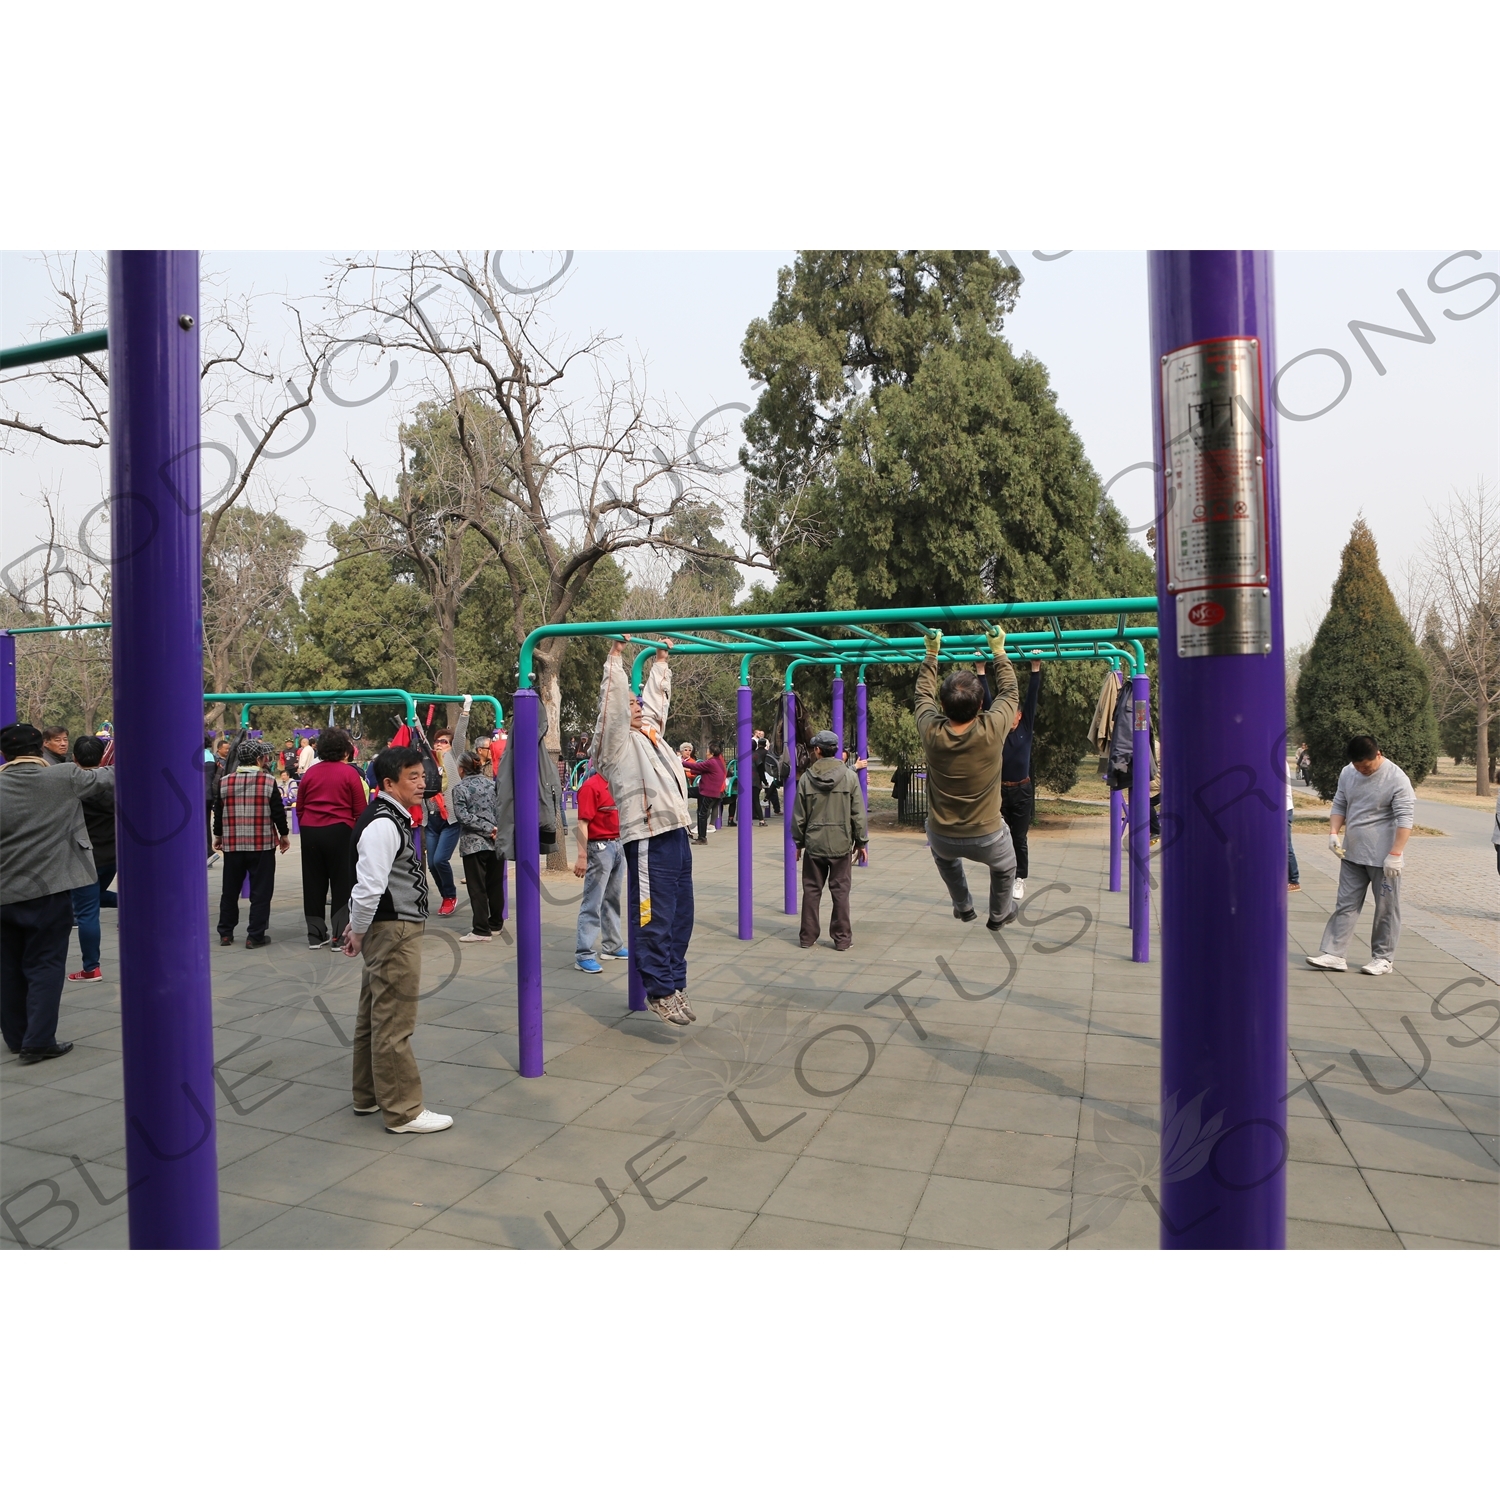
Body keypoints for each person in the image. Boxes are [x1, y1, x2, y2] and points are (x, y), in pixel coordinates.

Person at [341, 745, 452, 1134]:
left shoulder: (390, 817)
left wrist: (359, 928)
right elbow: (370, 886)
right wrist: (357, 929)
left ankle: (368, 1094)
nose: (422, 783)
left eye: (422, 776)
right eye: (413, 777)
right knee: (393, 1021)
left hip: (387, 926)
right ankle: (403, 1110)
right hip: (394, 929)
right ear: (388, 783)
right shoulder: (383, 823)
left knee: (373, 1015)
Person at [594, 640, 696, 1025]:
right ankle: (659, 990)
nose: (637, 706)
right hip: (649, 837)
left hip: (676, 832)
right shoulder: (614, 743)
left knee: (682, 915)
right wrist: (615, 660)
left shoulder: (652, 735)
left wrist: (661, 662)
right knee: (654, 916)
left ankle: (675, 982)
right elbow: (613, 704)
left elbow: (656, 702)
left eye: (637, 703)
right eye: (631, 704)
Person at [1, 722, 114, 1063]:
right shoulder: (63, 776)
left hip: (4, 893)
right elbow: (108, 777)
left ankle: (17, 1037)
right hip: (50, 888)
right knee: (45, 964)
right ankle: (38, 1040)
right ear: (40, 748)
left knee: (7, 968)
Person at [916, 625, 1021, 929]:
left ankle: (963, 906)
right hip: (987, 834)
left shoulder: (931, 731)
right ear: (979, 705)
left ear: (943, 705)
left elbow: (922, 694)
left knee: (944, 859)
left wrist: (931, 653)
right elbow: (1010, 692)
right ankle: (1000, 913)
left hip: (942, 834)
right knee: (1005, 867)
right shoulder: (992, 728)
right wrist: (998, 651)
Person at [1305, 734, 1415, 976]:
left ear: (1378, 754)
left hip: (1384, 859)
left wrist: (1396, 853)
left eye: (1366, 765)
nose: (1362, 770)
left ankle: (1383, 958)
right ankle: (1334, 953)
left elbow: (1406, 819)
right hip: (1353, 852)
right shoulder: (1348, 772)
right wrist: (1334, 832)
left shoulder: (1397, 778)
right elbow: (1340, 803)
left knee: (1386, 908)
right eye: (1357, 766)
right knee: (1345, 904)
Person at [792, 729, 868, 950]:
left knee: (811, 891)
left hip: (815, 844)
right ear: (836, 750)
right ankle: (842, 939)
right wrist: (861, 842)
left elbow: (799, 815)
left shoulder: (806, 778)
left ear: (817, 750)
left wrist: (798, 842)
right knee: (841, 892)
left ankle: (807, 936)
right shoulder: (850, 777)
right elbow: (858, 813)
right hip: (841, 842)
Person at [213, 739, 290, 948]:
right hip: (261, 845)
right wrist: (284, 835)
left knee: (230, 890)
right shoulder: (267, 781)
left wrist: (218, 835)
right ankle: (255, 935)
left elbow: (218, 813)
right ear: (258, 759)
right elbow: (277, 811)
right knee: (261, 891)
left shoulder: (225, 781)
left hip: (233, 845)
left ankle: (226, 933)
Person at [296, 727, 367, 949]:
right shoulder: (349, 774)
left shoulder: (310, 773)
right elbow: (360, 810)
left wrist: (308, 825)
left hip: (310, 831)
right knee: (341, 884)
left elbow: (300, 807)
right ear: (345, 750)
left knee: (313, 883)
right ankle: (338, 936)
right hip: (340, 831)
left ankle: (315, 936)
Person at [68, 735, 117, 983]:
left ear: (74, 758)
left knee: (86, 912)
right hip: (112, 856)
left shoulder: (71, 786)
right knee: (94, 898)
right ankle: (133, 903)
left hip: (84, 857)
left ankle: (91, 967)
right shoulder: (114, 784)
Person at [572, 761, 627, 972]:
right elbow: (582, 823)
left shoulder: (617, 784)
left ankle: (612, 945)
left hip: (617, 844)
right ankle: (583, 953)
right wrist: (582, 856)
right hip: (600, 847)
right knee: (592, 902)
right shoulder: (591, 787)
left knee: (612, 898)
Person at [1000, 660, 1042, 900]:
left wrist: (1035, 669)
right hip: (1000, 791)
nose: (1009, 718)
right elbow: (987, 700)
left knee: (1019, 837)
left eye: (1012, 714)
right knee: (999, 835)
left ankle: (1020, 878)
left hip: (1022, 790)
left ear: (1019, 716)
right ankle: (1004, 874)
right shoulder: (999, 730)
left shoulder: (1025, 727)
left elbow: (1031, 700)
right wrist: (981, 671)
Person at [453, 751, 505, 942]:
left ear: (461, 769)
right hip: (496, 840)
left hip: (473, 843)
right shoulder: (492, 785)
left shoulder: (460, 788)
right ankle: (496, 923)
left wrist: (486, 828)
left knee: (477, 888)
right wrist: (496, 829)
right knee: (495, 885)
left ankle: (481, 929)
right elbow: (502, 808)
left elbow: (463, 816)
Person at [683, 742, 727, 844]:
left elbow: (696, 766)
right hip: (706, 789)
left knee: (702, 813)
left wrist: (679, 762)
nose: (706, 752)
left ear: (711, 753)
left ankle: (702, 838)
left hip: (708, 792)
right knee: (685, 791)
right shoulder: (717, 761)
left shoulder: (711, 762)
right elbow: (700, 770)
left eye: (707, 750)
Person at [1286, 773, 1301, 893]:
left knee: (1285, 846)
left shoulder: (1279, 762)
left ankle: (1294, 880)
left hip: (1283, 809)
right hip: (1278, 809)